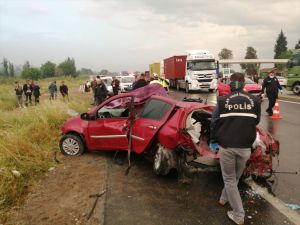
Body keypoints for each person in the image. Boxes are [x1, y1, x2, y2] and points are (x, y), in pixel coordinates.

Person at [210, 72, 261, 225]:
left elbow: (214, 123)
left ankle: (238, 214)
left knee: (230, 179)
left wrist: (213, 140)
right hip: (245, 147)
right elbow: (256, 120)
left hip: (227, 146)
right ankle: (224, 198)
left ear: (230, 83)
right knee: (235, 178)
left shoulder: (222, 100)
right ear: (243, 83)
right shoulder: (255, 101)